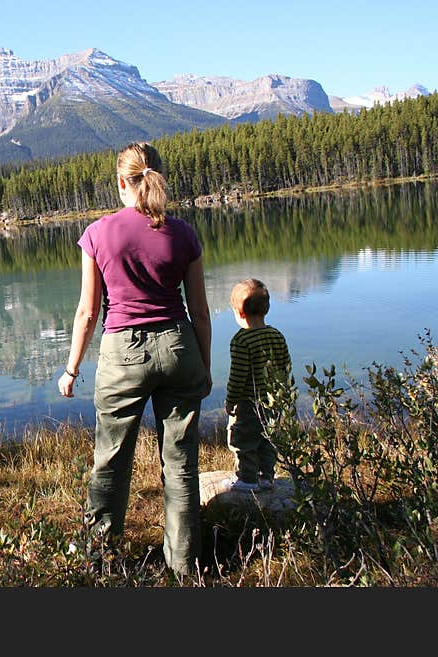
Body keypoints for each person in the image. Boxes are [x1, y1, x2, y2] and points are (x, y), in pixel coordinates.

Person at [58, 142, 212, 577]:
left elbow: (88, 312)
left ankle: (102, 563)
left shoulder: (98, 233)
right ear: (157, 176)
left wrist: (71, 369)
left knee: (110, 459)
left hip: (122, 352)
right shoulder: (183, 234)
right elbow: (199, 311)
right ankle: (185, 569)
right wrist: (204, 366)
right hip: (179, 347)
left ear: (122, 182)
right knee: (181, 464)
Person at [221, 278, 292, 493]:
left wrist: (231, 400)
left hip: (248, 402)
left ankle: (248, 479)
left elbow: (238, 375)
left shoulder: (241, 340)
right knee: (267, 439)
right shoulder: (276, 335)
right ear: (266, 308)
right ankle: (266, 476)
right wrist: (284, 394)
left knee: (243, 439)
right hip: (273, 400)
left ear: (240, 313)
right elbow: (286, 366)